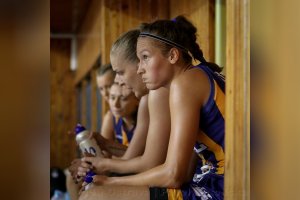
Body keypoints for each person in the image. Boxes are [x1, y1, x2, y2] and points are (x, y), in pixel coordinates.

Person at [79, 16, 225, 200]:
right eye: (139, 60)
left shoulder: (184, 84)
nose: (140, 69)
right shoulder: (192, 79)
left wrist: (110, 182)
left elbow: (172, 173)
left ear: (172, 56)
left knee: (93, 196)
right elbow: (183, 172)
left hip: (227, 185)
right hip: (217, 179)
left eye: (145, 58)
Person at [76, 29, 171, 195]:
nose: (118, 81)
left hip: (201, 185)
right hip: (182, 179)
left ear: (140, 65)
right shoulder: (150, 97)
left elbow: (151, 164)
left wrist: (107, 172)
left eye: (120, 73)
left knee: (94, 194)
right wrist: (104, 149)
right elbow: (136, 159)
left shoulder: (158, 92)